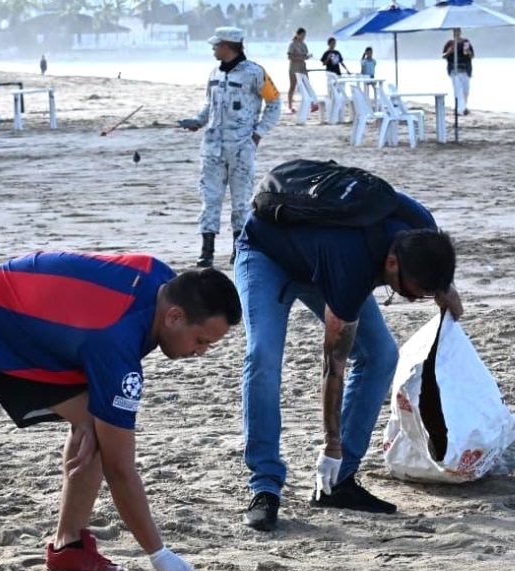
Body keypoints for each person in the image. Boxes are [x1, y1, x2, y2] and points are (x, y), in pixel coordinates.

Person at [0, 251, 242, 571]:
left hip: (31, 351)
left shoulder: (160, 278)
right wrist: (159, 555)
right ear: (174, 316)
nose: (201, 354)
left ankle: (69, 546)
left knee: (97, 427)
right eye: (201, 341)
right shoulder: (116, 344)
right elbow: (122, 470)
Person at [233, 177, 464, 533]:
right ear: (390, 262)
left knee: (381, 355)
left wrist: (443, 289)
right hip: (267, 254)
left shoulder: (422, 228)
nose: (413, 299)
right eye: (410, 292)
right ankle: (265, 486)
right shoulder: (352, 265)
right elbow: (333, 367)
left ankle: (339, 483)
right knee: (263, 356)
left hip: (324, 256)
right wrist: (331, 444)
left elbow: (429, 262)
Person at [180, 27, 281, 268]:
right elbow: (209, 105)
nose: (213, 48)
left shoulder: (255, 73)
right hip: (212, 146)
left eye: (217, 45)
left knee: (241, 201)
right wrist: (197, 121)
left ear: (228, 46)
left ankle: (240, 249)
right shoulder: (214, 72)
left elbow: (274, 103)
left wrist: (258, 133)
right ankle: (207, 251)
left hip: (241, 147)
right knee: (209, 198)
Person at [442, 30, 474, 115]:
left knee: (466, 90)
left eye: (458, 31)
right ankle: (460, 109)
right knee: (457, 89)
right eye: (455, 32)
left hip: (465, 69)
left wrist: (468, 52)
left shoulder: (466, 42)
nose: (456, 33)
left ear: (460, 32)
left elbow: (472, 56)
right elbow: (444, 56)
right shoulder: (450, 43)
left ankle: (463, 107)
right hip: (454, 69)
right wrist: (450, 51)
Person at [286, 28, 309, 114]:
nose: (303, 37)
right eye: (302, 35)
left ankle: (307, 104)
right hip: (294, 67)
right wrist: (300, 58)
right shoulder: (292, 44)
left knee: (306, 85)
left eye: (304, 35)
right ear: (298, 35)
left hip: (302, 67)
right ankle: (290, 106)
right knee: (292, 86)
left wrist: (306, 57)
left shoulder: (303, 44)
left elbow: (305, 55)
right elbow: (290, 57)